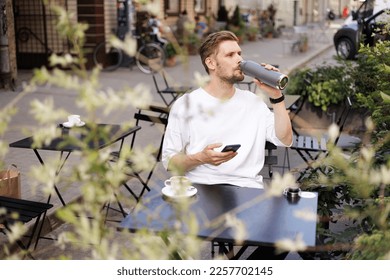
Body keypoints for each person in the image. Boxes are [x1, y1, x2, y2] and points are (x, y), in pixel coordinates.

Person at [162, 30, 292, 259]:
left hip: (246, 191)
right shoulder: (186, 105)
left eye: (240, 53)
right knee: (164, 234)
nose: (239, 60)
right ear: (210, 63)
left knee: (288, 234)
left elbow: (285, 140)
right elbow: (171, 163)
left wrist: (276, 96)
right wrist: (201, 158)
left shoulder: (253, 103)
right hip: (200, 192)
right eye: (230, 54)